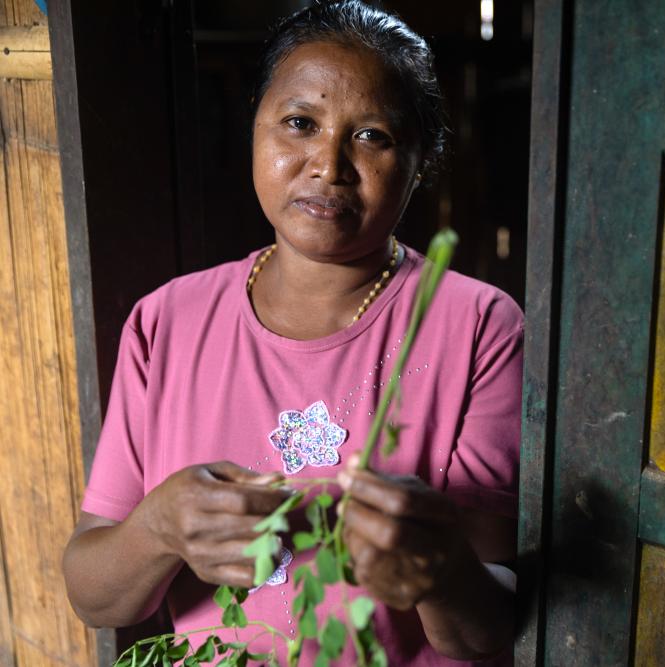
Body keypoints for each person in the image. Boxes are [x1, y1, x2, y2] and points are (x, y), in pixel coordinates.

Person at [61, 2, 522, 664]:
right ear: (255, 124)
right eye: (300, 123)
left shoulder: (479, 328)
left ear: (421, 162)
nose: (328, 164)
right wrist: (155, 529)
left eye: (373, 137)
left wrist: (444, 573)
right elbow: (95, 597)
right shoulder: (167, 320)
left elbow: (498, 629)